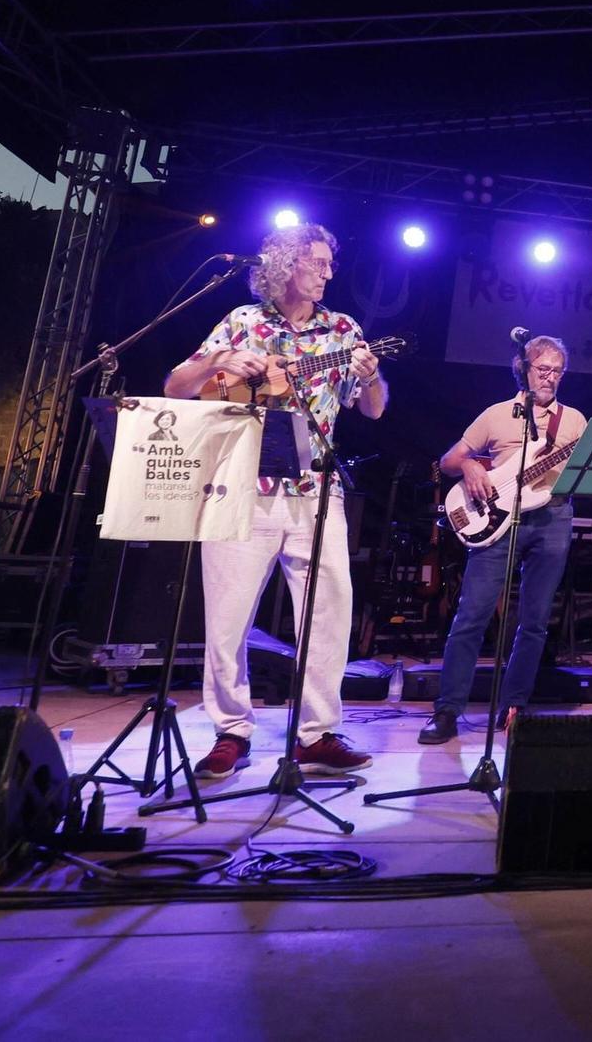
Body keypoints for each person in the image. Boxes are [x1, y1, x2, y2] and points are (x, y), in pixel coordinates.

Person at [163, 223, 385, 780]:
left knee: (330, 612)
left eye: (330, 263)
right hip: (240, 487)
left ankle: (316, 733)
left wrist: (373, 375)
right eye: (317, 262)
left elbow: (375, 409)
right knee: (229, 615)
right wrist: (222, 366)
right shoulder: (242, 322)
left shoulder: (343, 329)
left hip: (316, 490)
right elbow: (177, 387)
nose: (329, 272)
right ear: (286, 264)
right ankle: (231, 730)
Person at [421, 334, 586, 743]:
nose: (550, 377)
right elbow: (449, 460)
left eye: (557, 371)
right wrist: (472, 469)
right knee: (471, 616)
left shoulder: (576, 421)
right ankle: (447, 711)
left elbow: (588, 470)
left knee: (534, 622)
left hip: (553, 516)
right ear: (523, 369)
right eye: (542, 369)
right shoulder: (496, 415)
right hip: (498, 519)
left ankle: (515, 707)